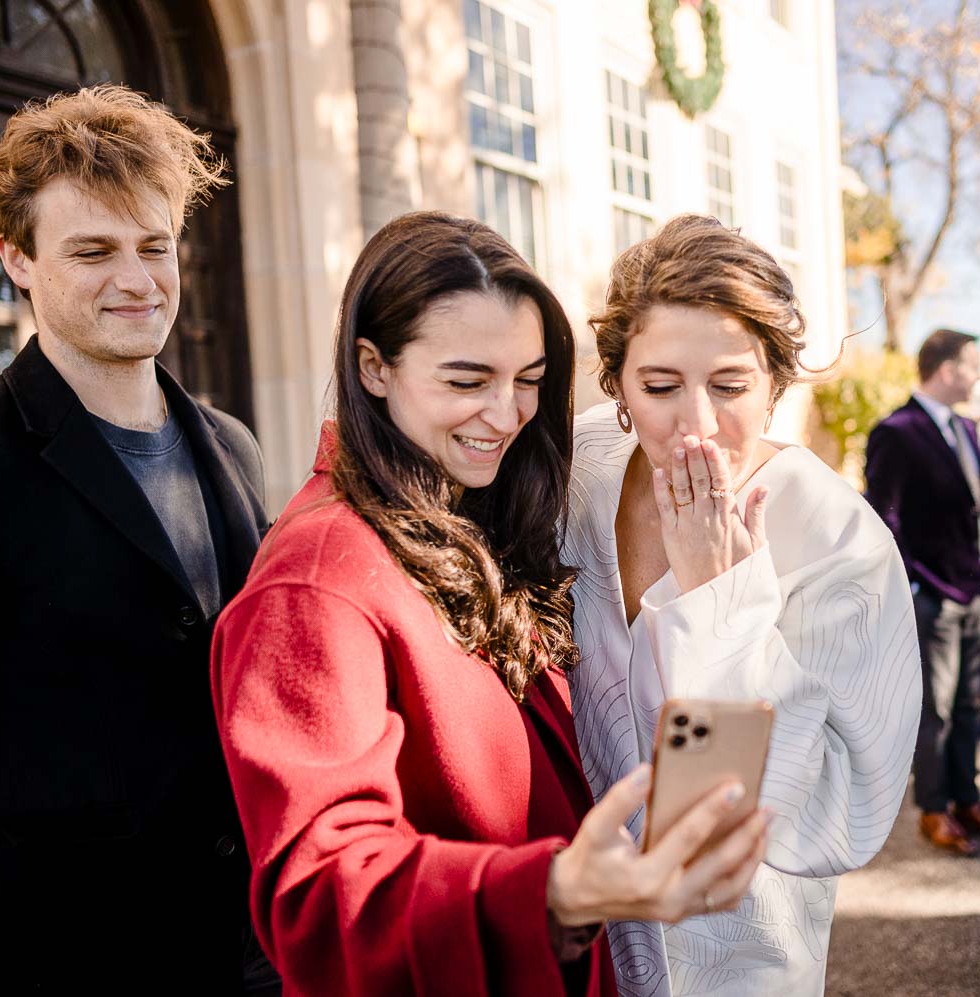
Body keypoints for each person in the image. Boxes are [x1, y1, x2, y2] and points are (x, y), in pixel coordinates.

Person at [210, 212, 769, 997]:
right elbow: (322, 892)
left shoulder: (468, 516)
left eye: (530, 381)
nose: (506, 415)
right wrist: (549, 892)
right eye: (467, 381)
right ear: (373, 367)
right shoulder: (317, 575)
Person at [0, 85, 275, 992]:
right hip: (60, 958)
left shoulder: (232, 444)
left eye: (155, 247)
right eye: (93, 251)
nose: (138, 280)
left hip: (250, 950)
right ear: (16, 259)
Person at [562, 215, 921, 996]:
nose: (695, 423)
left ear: (775, 386)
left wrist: (719, 605)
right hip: (572, 935)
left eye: (729, 386)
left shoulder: (833, 536)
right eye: (659, 387)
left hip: (728, 956)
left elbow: (837, 805)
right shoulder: (579, 470)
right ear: (617, 383)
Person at [865, 329, 980, 859]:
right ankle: (933, 809)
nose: (978, 375)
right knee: (933, 707)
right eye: (972, 366)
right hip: (933, 593)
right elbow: (883, 518)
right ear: (945, 368)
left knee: (968, 704)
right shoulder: (896, 430)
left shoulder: (964, 426)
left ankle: (967, 799)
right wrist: (916, 584)